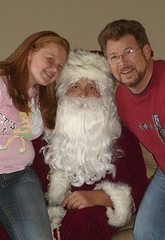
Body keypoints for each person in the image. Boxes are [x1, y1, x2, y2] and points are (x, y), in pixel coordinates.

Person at [43, 50, 149, 240]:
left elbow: (140, 188)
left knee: (87, 219)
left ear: (105, 96)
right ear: (62, 93)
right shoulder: (44, 135)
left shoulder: (122, 137)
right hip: (51, 216)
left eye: (92, 87)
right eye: (75, 86)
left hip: (96, 215)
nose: (83, 94)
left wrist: (100, 197)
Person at [0, 30, 70, 240]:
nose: (55, 69)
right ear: (30, 52)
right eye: (51, 59)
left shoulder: (42, 95)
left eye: (60, 65)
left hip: (19, 177)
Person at [98, 19, 165, 240]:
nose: (122, 62)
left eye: (128, 52)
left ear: (146, 51)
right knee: (145, 232)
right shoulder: (121, 99)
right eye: (114, 57)